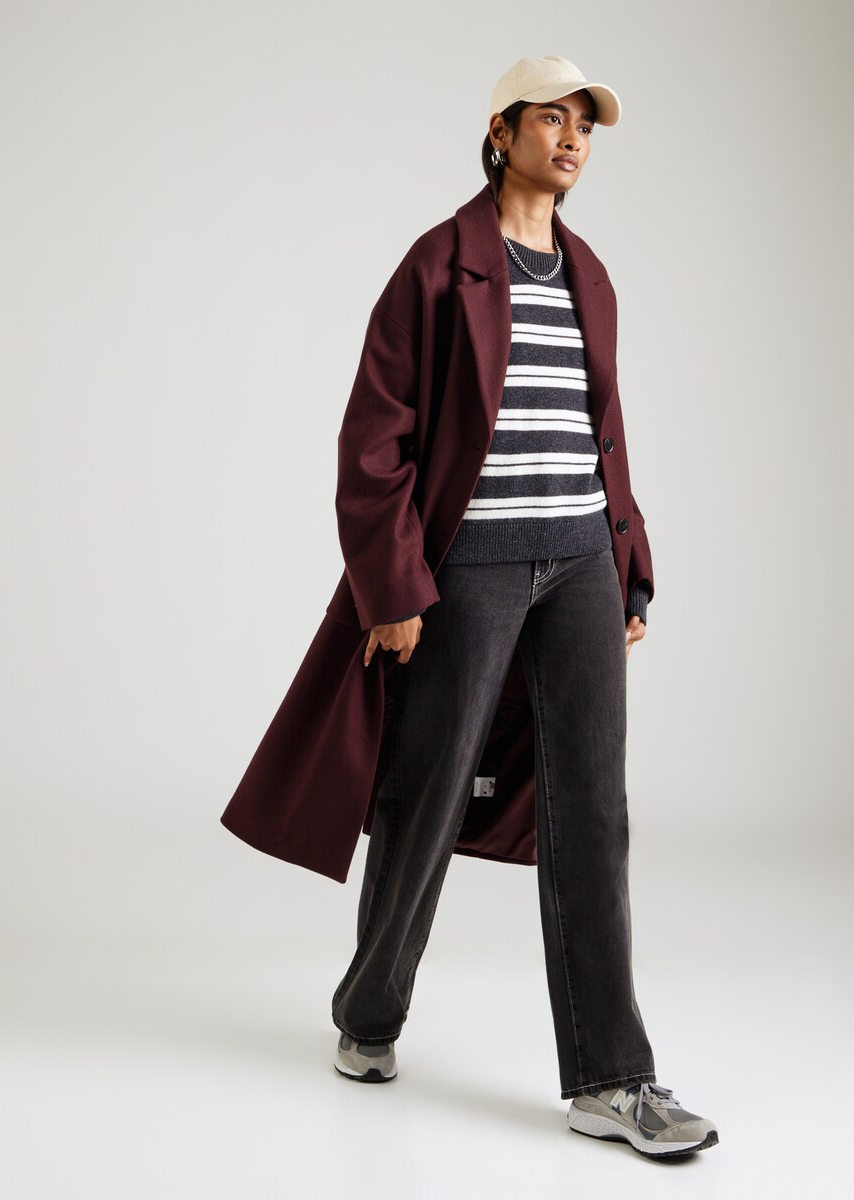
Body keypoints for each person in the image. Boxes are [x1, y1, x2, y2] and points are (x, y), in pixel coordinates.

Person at [328, 55, 719, 1160]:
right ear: (502, 133)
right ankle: (369, 1012)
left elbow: (604, 434)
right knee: (429, 785)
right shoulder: (439, 263)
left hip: (582, 561)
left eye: (585, 124)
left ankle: (611, 1076)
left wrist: (628, 563)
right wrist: (393, 585)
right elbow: (375, 437)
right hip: (473, 566)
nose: (574, 139)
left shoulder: (590, 274)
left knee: (592, 806)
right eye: (552, 118)